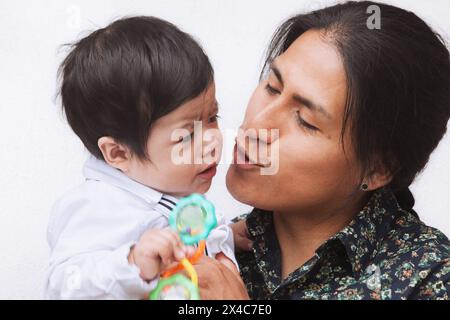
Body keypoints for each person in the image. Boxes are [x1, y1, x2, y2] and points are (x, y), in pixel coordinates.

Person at [45, 16, 236, 299]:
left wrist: (226, 238)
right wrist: (133, 263)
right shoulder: (97, 205)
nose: (213, 140)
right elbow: (62, 286)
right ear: (119, 153)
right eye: (186, 136)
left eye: (212, 118)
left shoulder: (168, 189)